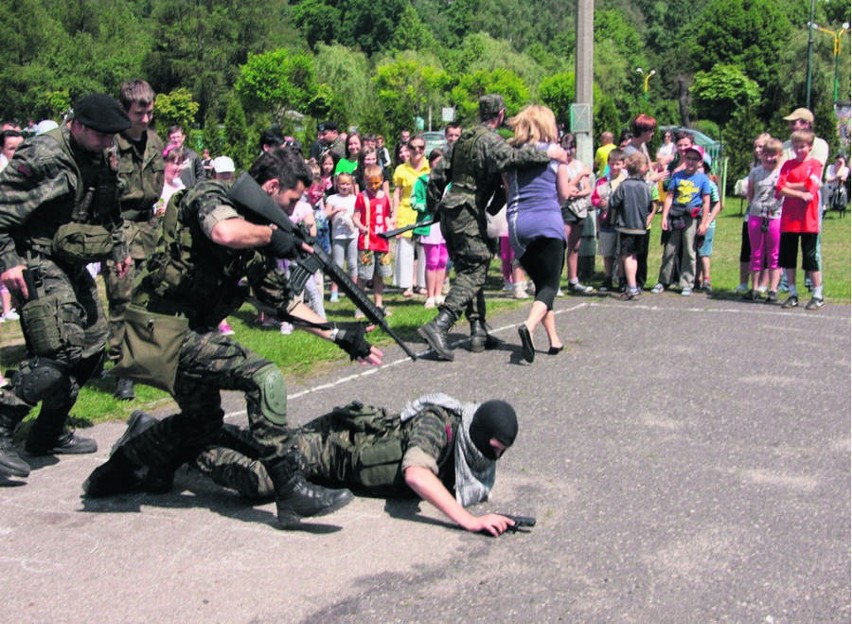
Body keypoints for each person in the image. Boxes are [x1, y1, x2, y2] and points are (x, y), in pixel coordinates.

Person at [83, 149, 384, 528]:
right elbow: (222, 231)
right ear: (272, 187)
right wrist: (272, 236)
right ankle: (290, 490)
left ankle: (123, 465)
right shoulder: (211, 195)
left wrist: (340, 335)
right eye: (291, 201)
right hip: (162, 330)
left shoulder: (257, 239)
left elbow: (285, 302)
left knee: (201, 424)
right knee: (263, 376)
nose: (292, 213)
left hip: (187, 332)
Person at [116, 393, 519, 536]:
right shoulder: (439, 425)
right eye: (494, 447)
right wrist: (465, 519)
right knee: (262, 481)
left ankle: (164, 433)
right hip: (330, 447)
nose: (493, 457)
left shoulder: (468, 448)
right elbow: (416, 473)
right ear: (477, 433)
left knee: (260, 446)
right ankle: (172, 444)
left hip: (335, 456)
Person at [0, 94, 134, 481]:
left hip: (72, 261)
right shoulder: (42, 156)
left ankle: (48, 433)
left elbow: (111, 209)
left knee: (93, 346)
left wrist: (118, 248)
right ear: (77, 125)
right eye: (102, 136)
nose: (109, 144)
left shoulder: (102, 154)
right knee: (58, 351)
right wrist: (9, 262)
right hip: (36, 258)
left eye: (113, 137)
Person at [419, 94, 563, 361]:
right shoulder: (490, 140)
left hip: (452, 208)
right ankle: (440, 324)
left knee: (471, 265)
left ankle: (478, 331)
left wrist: (434, 207)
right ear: (500, 114)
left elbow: (438, 174)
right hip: (468, 210)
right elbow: (513, 158)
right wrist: (548, 154)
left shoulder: (464, 139)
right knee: (475, 269)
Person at [105, 79, 166, 401]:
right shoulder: (109, 145)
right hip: (121, 230)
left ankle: (139, 360)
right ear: (124, 110)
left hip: (150, 229)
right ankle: (121, 369)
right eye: (139, 114)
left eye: (150, 113)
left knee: (149, 300)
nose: (145, 120)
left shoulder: (155, 142)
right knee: (121, 300)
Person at [503, 105, 568, 363]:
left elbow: (508, 188)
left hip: (518, 225)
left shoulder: (511, 156)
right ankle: (528, 326)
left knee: (542, 284)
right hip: (547, 221)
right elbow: (563, 193)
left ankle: (554, 340)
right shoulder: (556, 156)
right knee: (551, 284)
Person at [651, 144, 712, 296]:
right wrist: (665, 216)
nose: (690, 162)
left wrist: (704, 222)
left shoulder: (703, 179)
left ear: (700, 162)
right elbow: (670, 197)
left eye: (694, 159)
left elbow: (706, 202)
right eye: (688, 158)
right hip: (675, 215)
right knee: (670, 249)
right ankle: (663, 280)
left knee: (689, 250)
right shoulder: (677, 176)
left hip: (691, 218)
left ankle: (687, 282)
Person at [776, 129, 824, 310]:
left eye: (802, 146)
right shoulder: (787, 165)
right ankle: (792, 293)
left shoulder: (815, 165)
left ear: (810, 147)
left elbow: (811, 186)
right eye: (796, 146)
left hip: (808, 220)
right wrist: (798, 191)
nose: (799, 149)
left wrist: (790, 186)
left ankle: (817, 294)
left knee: (810, 258)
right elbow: (779, 188)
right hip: (789, 220)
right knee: (788, 258)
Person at [609, 152, 654, 300]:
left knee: (627, 256)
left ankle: (632, 287)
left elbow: (614, 202)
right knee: (634, 256)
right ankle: (632, 284)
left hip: (626, 226)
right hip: (641, 228)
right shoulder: (645, 187)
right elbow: (650, 206)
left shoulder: (623, 186)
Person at [745, 138, 783, 303]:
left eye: (773, 155)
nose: (769, 158)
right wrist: (755, 206)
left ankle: (773, 288)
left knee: (774, 253)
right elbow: (751, 192)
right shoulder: (755, 172)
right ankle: (754, 288)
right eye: (766, 155)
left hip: (775, 215)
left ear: (779, 155)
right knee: (756, 252)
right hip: (756, 214)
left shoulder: (782, 172)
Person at [392, 137, 430, 298]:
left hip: (424, 211)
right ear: (408, 149)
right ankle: (406, 284)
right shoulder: (401, 169)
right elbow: (396, 193)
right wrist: (394, 214)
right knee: (405, 249)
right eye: (413, 147)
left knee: (423, 249)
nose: (417, 151)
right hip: (405, 210)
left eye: (420, 147)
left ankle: (422, 283)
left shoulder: (430, 167)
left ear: (425, 148)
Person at [353, 164, 393, 311]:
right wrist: (361, 227)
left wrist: (390, 226)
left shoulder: (384, 198)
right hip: (366, 243)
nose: (374, 186)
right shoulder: (361, 197)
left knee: (379, 275)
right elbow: (355, 216)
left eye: (376, 183)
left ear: (382, 180)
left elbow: (387, 217)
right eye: (370, 183)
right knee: (363, 276)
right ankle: (360, 306)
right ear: (365, 181)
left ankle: (378, 304)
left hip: (382, 243)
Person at [411, 148, 448, 309]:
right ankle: (430, 295)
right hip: (429, 224)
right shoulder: (421, 181)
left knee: (442, 260)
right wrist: (430, 206)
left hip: (446, 225)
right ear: (431, 162)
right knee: (431, 261)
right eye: (436, 161)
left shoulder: (450, 182)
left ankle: (439, 293)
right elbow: (414, 201)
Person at [559, 132, 594, 294]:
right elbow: (565, 189)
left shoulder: (580, 164)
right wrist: (578, 178)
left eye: (571, 148)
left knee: (575, 246)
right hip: (565, 208)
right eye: (565, 148)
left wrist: (577, 192)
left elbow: (587, 189)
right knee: (561, 245)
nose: (568, 152)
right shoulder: (560, 166)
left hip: (579, 209)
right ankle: (554, 282)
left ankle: (573, 280)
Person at [591, 149, 627, 292]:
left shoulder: (626, 181)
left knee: (622, 252)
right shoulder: (602, 181)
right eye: (612, 164)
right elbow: (594, 198)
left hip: (622, 220)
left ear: (623, 164)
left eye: (617, 164)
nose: (614, 167)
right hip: (606, 220)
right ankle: (607, 278)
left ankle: (621, 279)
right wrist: (599, 203)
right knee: (608, 252)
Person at [325, 172, 358, 303]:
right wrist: (335, 211)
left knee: (352, 263)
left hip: (352, 234)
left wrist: (352, 219)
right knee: (337, 264)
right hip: (337, 235)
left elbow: (358, 216)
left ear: (352, 185)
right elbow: (326, 215)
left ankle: (354, 291)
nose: (344, 186)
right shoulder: (332, 199)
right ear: (337, 184)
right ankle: (334, 291)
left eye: (347, 184)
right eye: (342, 184)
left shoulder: (355, 199)